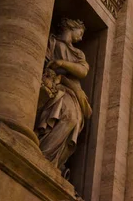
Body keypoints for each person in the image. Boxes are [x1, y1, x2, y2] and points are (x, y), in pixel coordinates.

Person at [35, 19, 92, 171]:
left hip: (72, 92)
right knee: (68, 116)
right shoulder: (52, 42)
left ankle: (52, 161)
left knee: (74, 119)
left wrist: (61, 63)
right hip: (55, 86)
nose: (81, 38)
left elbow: (83, 70)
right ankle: (43, 154)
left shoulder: (77, 53)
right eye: (80, 33)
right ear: (71, 28)